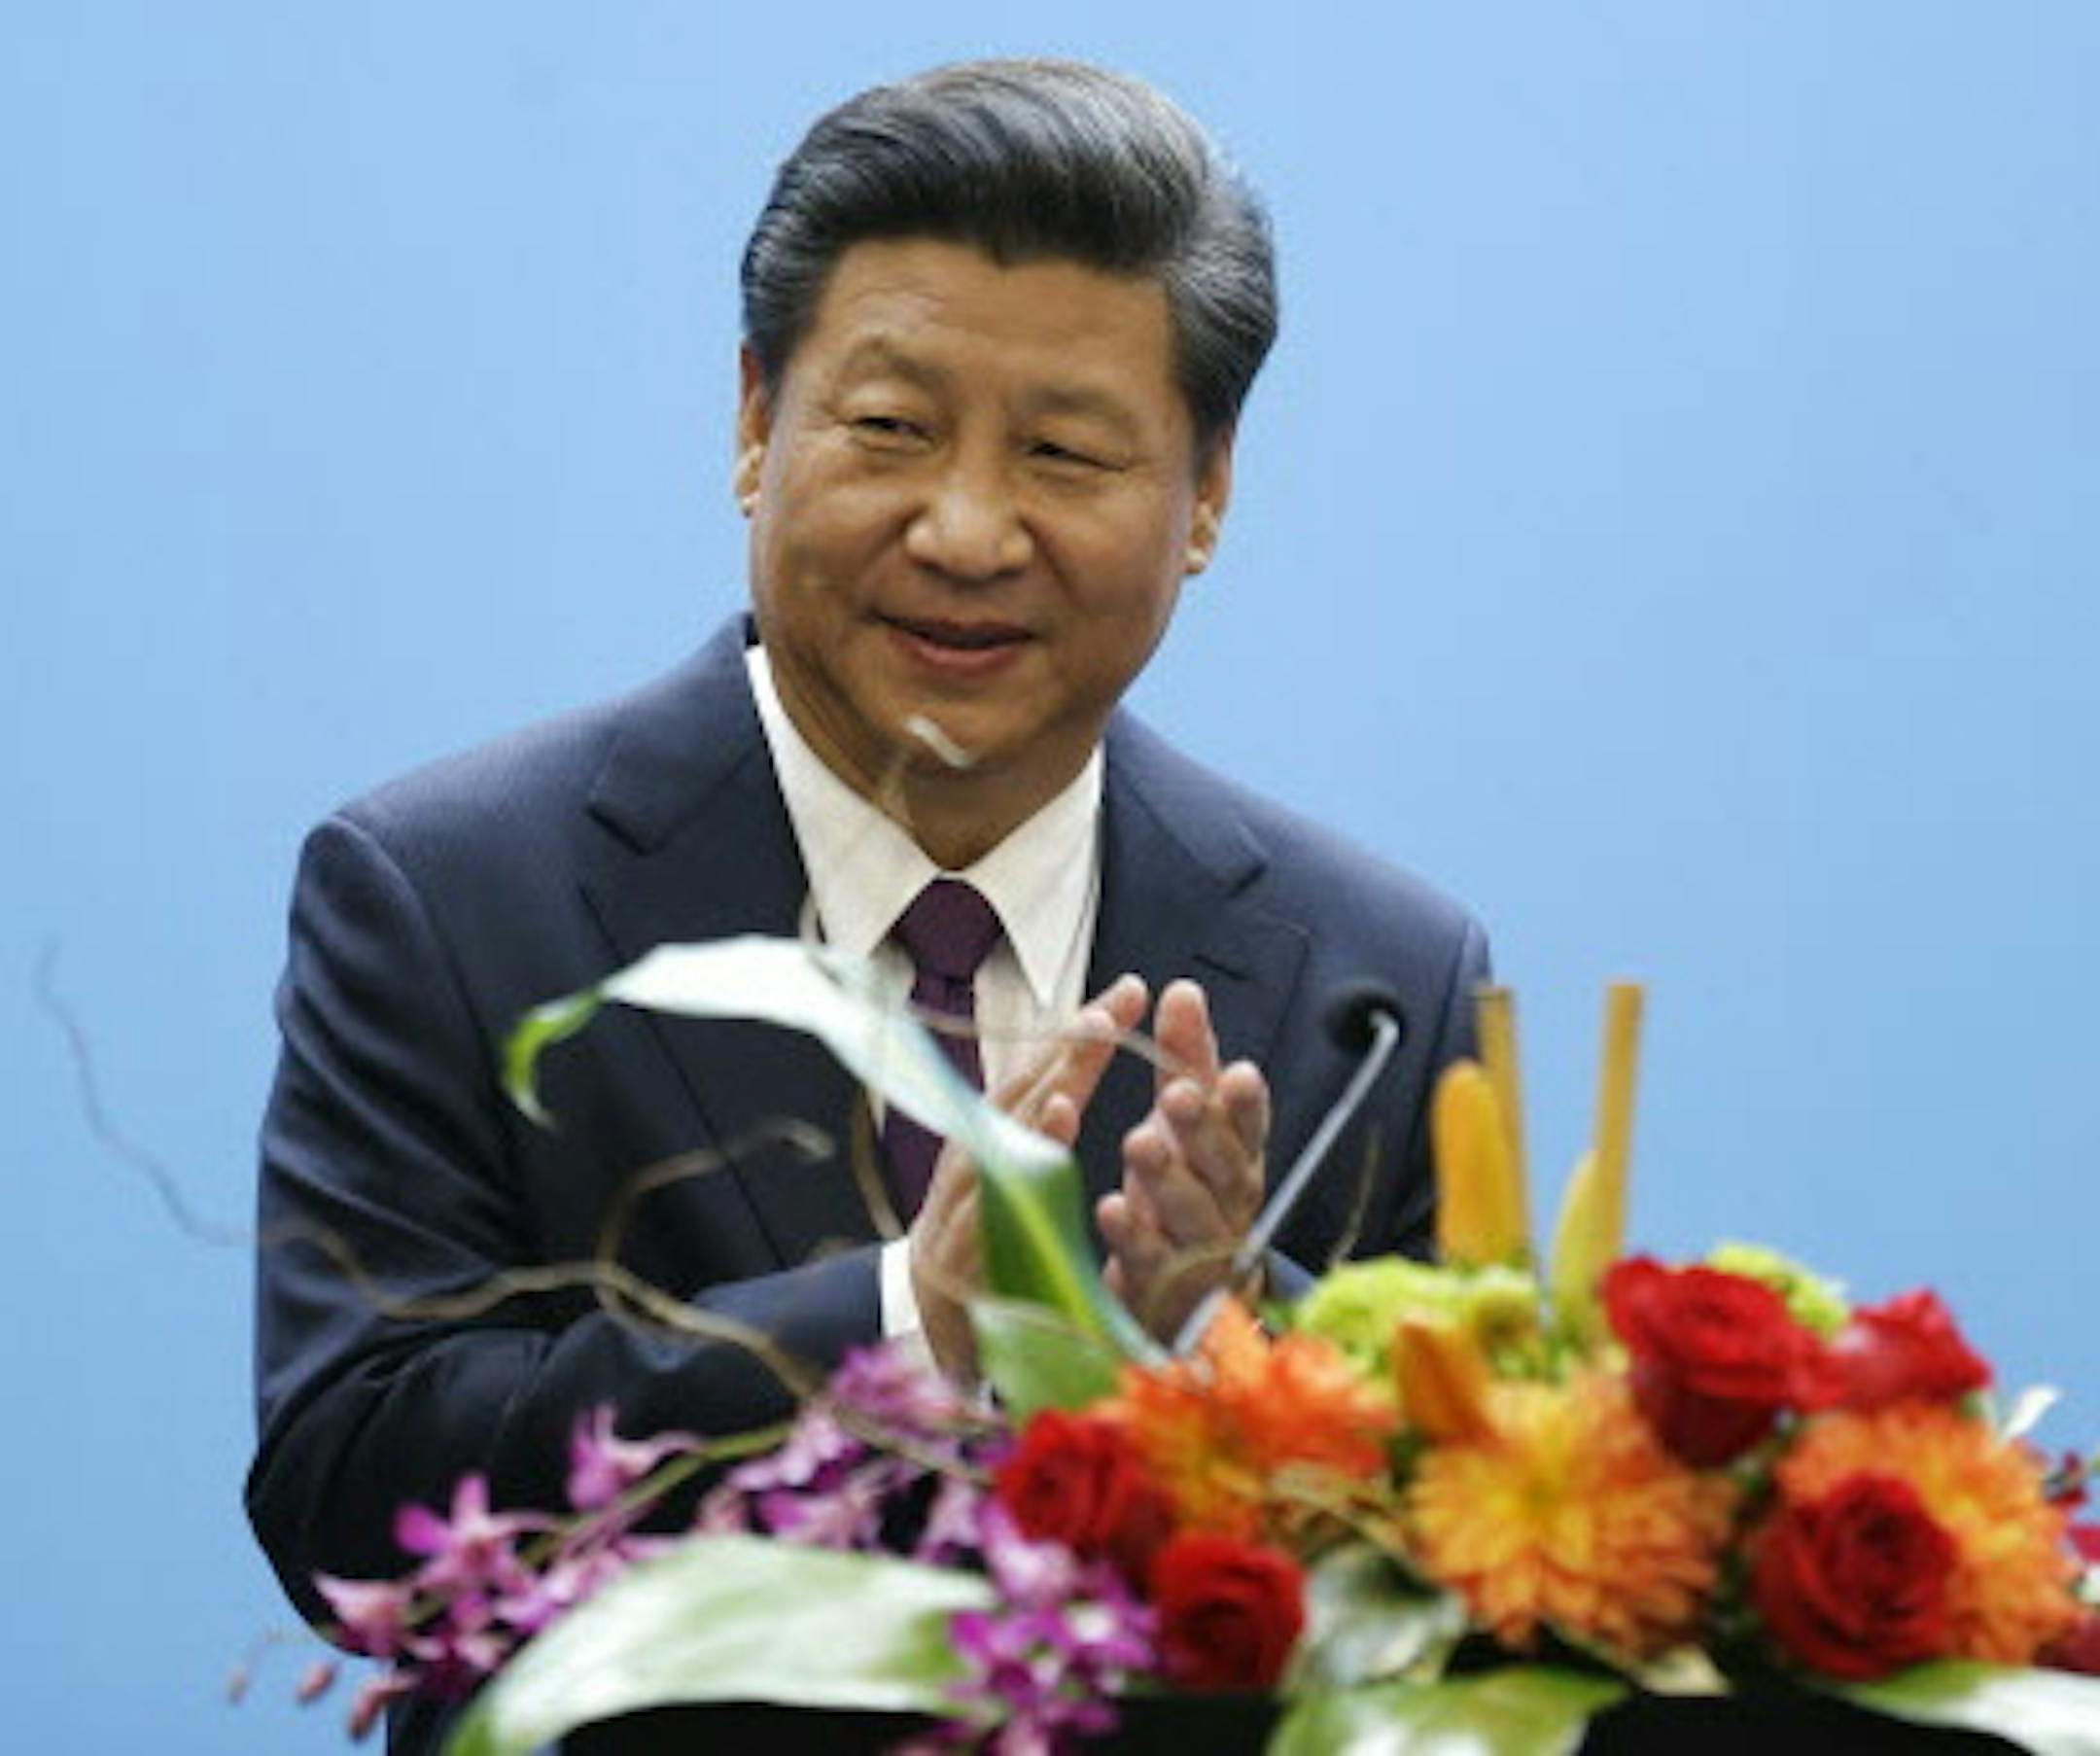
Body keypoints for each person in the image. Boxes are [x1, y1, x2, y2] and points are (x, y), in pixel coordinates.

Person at [248, 56, 1487, 1748]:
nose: (966, 530)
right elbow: (352, 1495)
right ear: (756, 422)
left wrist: (1230, 1356)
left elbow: (1450, 1609)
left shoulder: (1378, 981)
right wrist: (912, 1320)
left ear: (1205, 494)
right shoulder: (450, 895)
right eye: (892, 429)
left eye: (1065, 452)